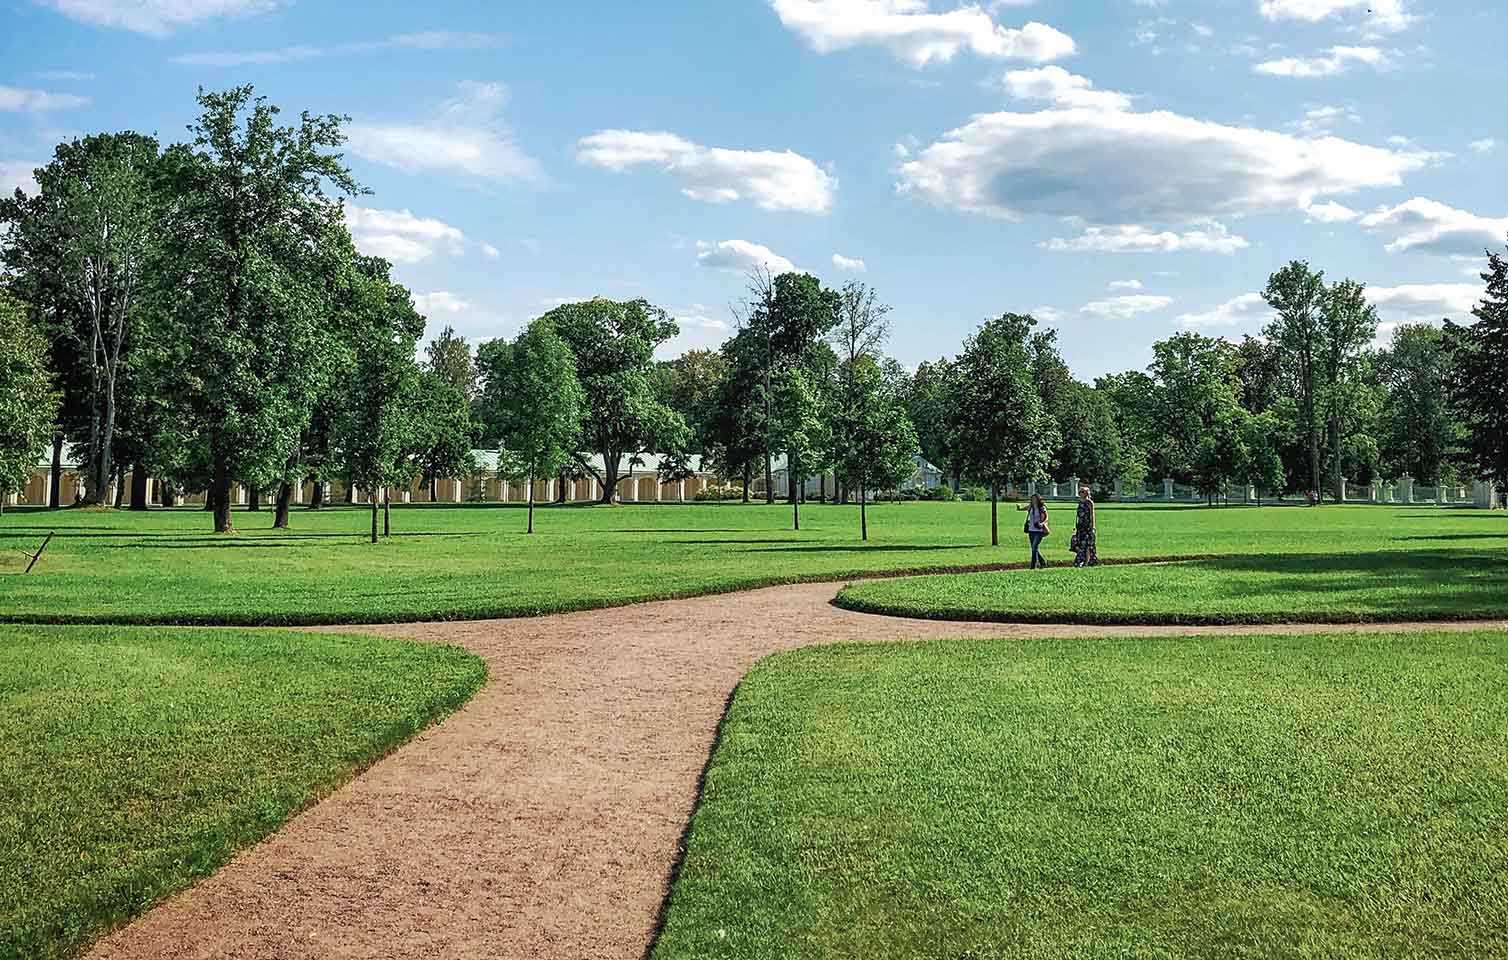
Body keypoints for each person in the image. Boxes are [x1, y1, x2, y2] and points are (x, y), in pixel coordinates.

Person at [1017, 493, 1049, 568]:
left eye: (1034, 499)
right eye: (1032, 499)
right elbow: (1021, 509)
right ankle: (1042, 562)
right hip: (1031, 530)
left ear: (1038, 499)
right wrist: (1019, 507)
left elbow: (1046, 518)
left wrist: (1042, 523)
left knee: (1034, 547)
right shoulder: (1030, 507)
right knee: (1034, 548)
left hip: (1039, 530)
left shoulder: (1042, 508)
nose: (1033, 500)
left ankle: (1033, 566)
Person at [1072, 485, 1097, 568]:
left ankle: (1082, 561)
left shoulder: (1089, 502)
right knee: (1081, 544)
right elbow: (1078, 515)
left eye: (1082, 492)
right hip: (1080, 527)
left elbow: (1092, 515)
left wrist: (1092, 527)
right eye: (1080, 492)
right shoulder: (1080, 502)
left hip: (1087, 527)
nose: (1081, 493)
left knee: (1087, 545)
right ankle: (1084, 561)